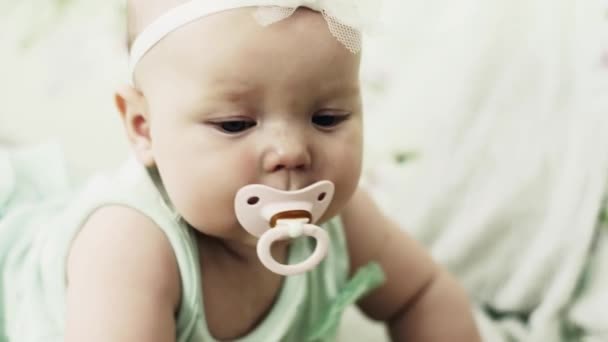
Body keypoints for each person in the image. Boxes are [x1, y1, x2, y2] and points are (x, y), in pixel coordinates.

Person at [0, 1, 481, 341]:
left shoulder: (345, 218)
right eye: (235, 124)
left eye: (328, 118)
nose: (292, 153)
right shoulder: (128, 247)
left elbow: (423, 294)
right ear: (144, 127)